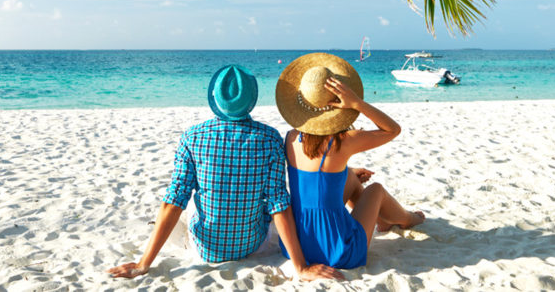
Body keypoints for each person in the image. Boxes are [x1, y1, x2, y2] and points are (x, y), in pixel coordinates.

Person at [108, 64, 343, 281]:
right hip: (251, 245)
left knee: (186, 199)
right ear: (251, 99)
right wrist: (300, 267)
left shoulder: (193, 137)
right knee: (265, 201)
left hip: (206, 250)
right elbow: (278, 204)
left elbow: (174, 200)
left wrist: (143, 264)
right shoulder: (270, 138)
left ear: (215, 98)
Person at [275, 53, 425, 268]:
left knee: (350, 175)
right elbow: (393, 130)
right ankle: (408, 219)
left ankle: (380, 220)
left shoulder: (291, 137)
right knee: (376, 190)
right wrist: (357, 103)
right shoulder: (343, 140)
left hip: (297, 245)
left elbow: (315, 176)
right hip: (338, 250)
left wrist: (348, 171)